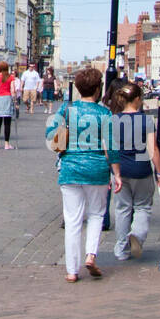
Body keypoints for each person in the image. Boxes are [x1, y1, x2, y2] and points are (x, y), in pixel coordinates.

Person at [46, 67, 122, 281]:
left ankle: (71, 271)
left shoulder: (66, 110)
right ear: (98, 89)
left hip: (70, 168)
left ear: (78, 88)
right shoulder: (105, 113)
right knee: (97, 214)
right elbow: (112, 147)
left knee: (72, 221)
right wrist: (116, 174)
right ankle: (90, 255)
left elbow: (51, 135)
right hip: (97, 169)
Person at [108, 81, 160, 261]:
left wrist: (112, 172)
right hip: (142, 170)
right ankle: (138, 235)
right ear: (138, 99)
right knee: (143, 207)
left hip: (121, 170)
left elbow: (109, 149)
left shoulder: (113, 120)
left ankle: (121, 249)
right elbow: (153, 148)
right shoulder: (146, 120)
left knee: (123, 208)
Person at [0, 63, 15, 149]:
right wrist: (14, 99)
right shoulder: (10, 77)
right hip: (7, 98)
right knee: (7, 123)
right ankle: (6, 144)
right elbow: (12, 90)